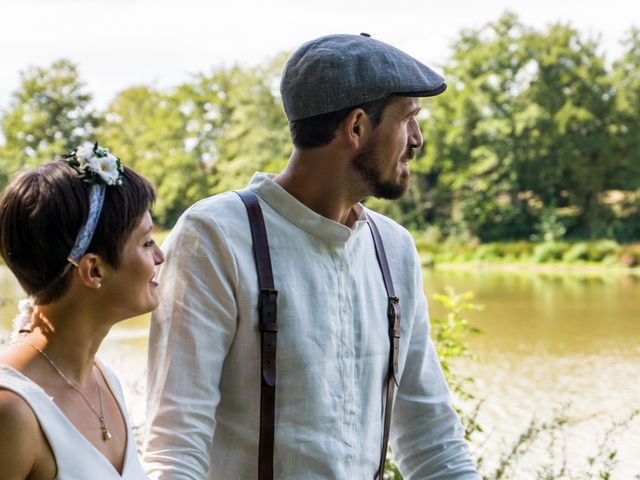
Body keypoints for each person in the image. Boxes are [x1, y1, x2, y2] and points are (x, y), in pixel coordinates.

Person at [144, 34, 480, 479]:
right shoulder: (214, 236)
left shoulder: (394, 249)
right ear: (356, 126)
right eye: (408, 118)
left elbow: (432, 438)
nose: (417, 140)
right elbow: (174, 446)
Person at [0, 142, 164, 479]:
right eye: (147, 242)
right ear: (93, 270)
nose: (160, 256)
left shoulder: (105, 379)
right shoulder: (12, 413)